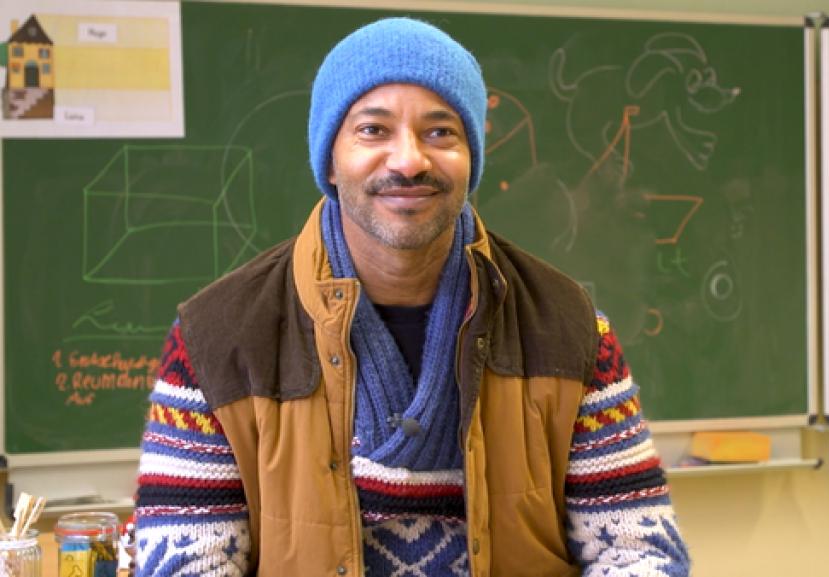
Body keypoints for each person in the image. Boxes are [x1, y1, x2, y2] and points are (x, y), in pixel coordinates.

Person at [132, 17, 689, 577]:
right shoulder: (216, 338)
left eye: (440, 132)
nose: (409, 160)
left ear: (472, 157)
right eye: (373, 130)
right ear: (329, 158)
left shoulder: (568, 330)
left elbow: (640, 553)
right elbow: (186, 565)